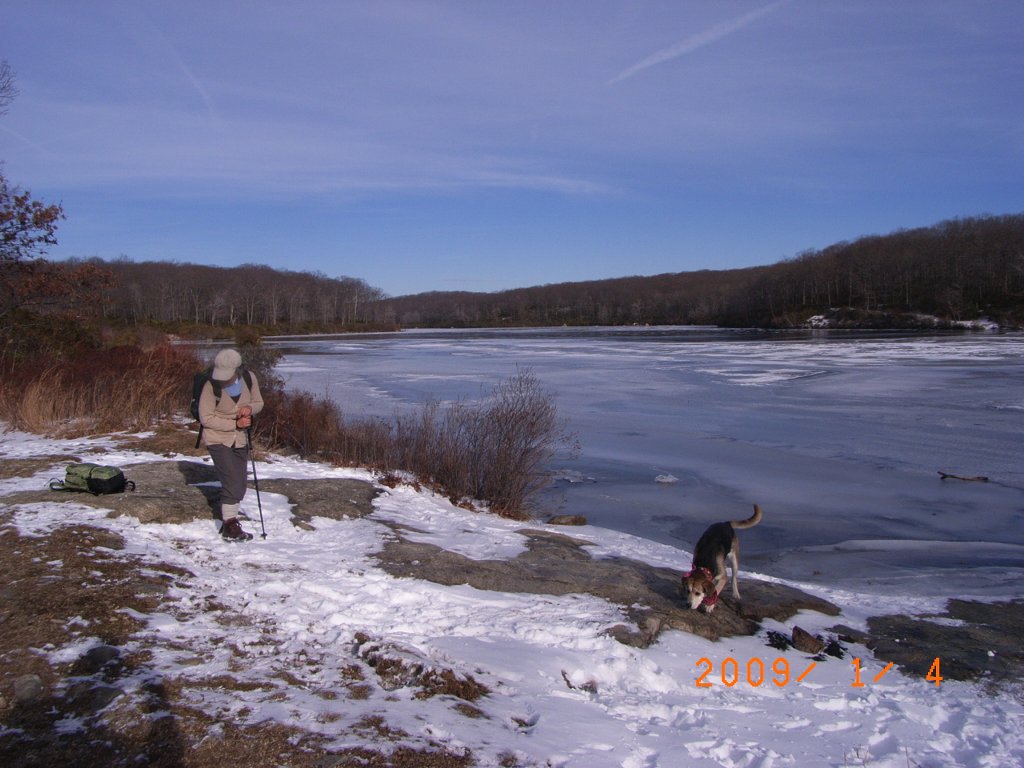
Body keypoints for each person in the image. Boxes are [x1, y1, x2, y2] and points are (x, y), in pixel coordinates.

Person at [198, 348, 264, 541]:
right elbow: (206, 418)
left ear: (237, 369)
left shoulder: (249, 378)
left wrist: (249, 408)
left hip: (240, 439)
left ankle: (231, 520)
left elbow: (259, 402)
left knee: (240, 484)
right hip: (217, 438)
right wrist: (234, 423)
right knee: (232, 483)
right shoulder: (210, 385)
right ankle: (229, 525)